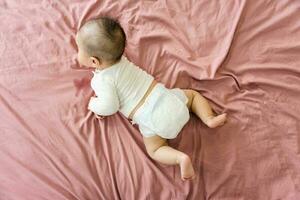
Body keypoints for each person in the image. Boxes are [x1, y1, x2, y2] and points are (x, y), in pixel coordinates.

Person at [75, 16, 227, 181]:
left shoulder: (101, 81)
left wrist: (93, 104)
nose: (77, 52)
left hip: (151, 119)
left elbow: (110, 106)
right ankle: (209, 118)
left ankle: (180, 158)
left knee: (155, 149)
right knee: (192, 96)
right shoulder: (122, 60)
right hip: (167, 100)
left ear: (94, 61)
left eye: (78, 49)